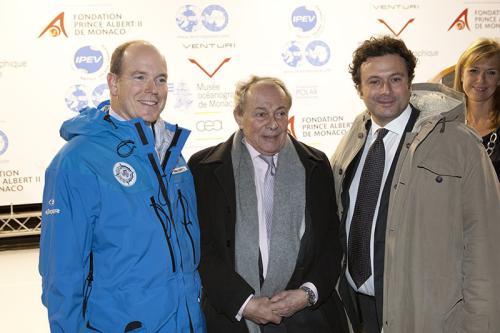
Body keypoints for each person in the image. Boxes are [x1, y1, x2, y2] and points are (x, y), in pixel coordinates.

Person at [330, 35, 500, 333]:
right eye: (374, 81)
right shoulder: (354, 137)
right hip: (355, 312)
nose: (385, 90)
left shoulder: (460, 145)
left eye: (395, 79)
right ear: (359, 89)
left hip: (423, 316)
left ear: (410, 82)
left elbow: (486, 246)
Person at [39, 40, 206, 332]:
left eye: (161, 79)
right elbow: (61, 276)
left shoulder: (172, 153)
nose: (152, 89)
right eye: (139, 77)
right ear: (113, 83)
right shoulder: (76, 162)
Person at [188, 76, 348, 333]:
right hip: (232, 319)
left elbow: (331, 243)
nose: (273, 124)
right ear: (239, 116)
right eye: (260, 114)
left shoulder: (315, 165)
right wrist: (244, 303)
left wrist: (307, 293)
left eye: (280, 113)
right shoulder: (204, 168)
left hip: (307, 321)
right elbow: (201, 248)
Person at [454, 38, 500, 180]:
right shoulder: (443, 125)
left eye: (491, 72)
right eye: (473, 71)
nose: (481, 80)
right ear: (462, 75)